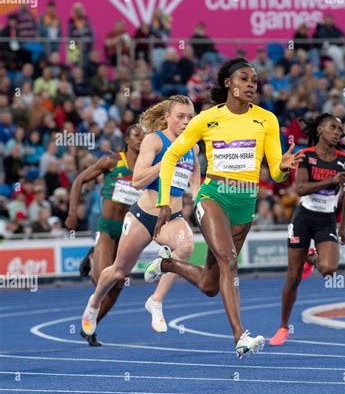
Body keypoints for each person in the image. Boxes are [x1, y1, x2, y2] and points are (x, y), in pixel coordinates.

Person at [148, 58, 304, 358]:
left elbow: (275, 172)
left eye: (254, 80)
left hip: (245, 203)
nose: (250, 85)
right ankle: (240, 336)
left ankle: (166, 264)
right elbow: (170, 157)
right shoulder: (206, 119)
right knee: (229, 262)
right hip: (213, 196)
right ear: (229, 84)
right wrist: (164, 201)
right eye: (244, 79)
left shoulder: (267, 120)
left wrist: (283, 167)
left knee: (210, 284)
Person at [81, 96, 200, 338]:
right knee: (118, 272)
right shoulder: (154, 140)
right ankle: (94, 304)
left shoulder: (193, 146)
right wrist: (166, 161)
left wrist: (201, 202)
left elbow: (195, 180)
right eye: (180, 116)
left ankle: (156, 301)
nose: (186, 122)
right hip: (143, 216)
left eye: (190, 117)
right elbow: (137, 180)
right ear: (167, 117)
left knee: (186, 246)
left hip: (171, 218)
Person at [269, 113, 345, 346]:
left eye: (340, 129)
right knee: (293, 277)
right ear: (319, 130)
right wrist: (331, 181)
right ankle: (283, 327)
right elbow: (300, 189)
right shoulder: (305, 156)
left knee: (328, 269)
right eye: (332, 128)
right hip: (303, 218)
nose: (337, 132)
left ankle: (312, 256)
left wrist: (343, 225)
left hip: (326, 219)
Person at [66, 125, 144, 345]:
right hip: (108, 227)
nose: (141, 140)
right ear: (127, 139)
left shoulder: (147, 167)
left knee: (118, 284)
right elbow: (79, 180)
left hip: (129, 232)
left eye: (144, 137)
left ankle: (89, 327)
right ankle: (93, 256)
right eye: (137, 136)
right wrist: (72, 213)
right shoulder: (112, 161)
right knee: (103, 282)